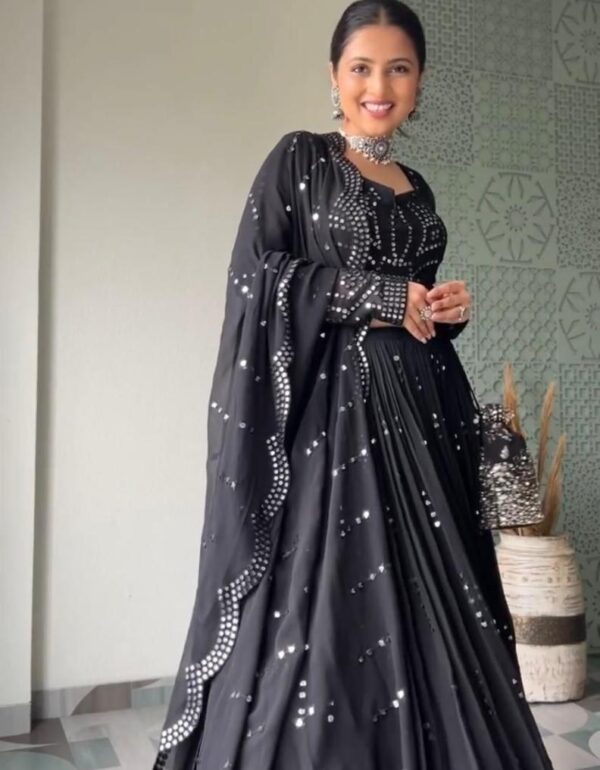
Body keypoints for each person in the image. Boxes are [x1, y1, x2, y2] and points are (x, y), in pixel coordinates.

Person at [152, 2, 555, 768]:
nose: (379, 86)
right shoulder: (302, 160)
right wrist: (378, 295)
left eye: (398, 69)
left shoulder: (418, 186)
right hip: (339, 427)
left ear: (420, 81)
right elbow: (257, 277)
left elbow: (411, 304)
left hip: (427, 418)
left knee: (441, 603)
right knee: (333, 608)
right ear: (334, 76)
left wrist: (441, 309)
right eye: (362, 67)